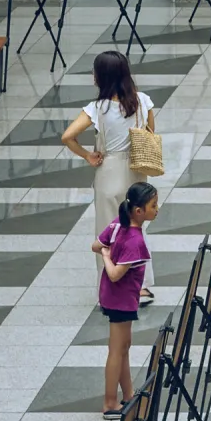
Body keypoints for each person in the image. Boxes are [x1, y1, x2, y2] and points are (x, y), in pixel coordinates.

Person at [62, 49, 160, 267]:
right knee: (136, 229)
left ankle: (111, 279)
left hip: (108, 172)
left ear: (101, 77)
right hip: (136, 172)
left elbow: (67, 136)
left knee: (109, 231)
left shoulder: (97, 108)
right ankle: (140, 280)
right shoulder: (143, 102)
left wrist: (87, 155)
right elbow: (150, 134)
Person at [94, 181, 158, 416]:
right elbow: (114, 274)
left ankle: (128, 394)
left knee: (124, 347)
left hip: (118, 298)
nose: (157, 209)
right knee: (116, 350)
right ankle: (110, 402)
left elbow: (96, 243)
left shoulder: (116, 225)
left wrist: (105, 249)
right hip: (120, 300)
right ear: (138, 211)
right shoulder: (135, 241)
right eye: (153, 205)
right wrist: (107, 255)